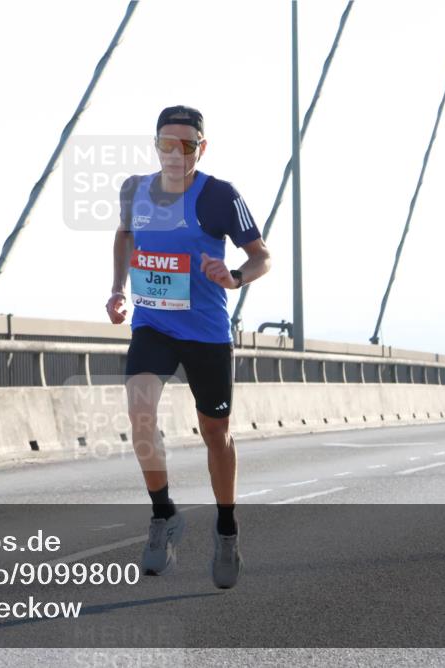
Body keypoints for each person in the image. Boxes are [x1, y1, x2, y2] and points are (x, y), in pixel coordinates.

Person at [105, 105, 271, 589]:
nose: (175, 154)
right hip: (153, 324)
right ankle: (164, 515)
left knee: (215, 433)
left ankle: (226, 528)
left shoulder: (219, 195)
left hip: (205, 331)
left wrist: (236, 277)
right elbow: (124, 236)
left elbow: (261, 255)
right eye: (166, 144)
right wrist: (118, 289)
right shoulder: (134, 189)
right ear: (155, 145)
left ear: (202, 147)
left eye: (186, 145)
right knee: (139, 414)